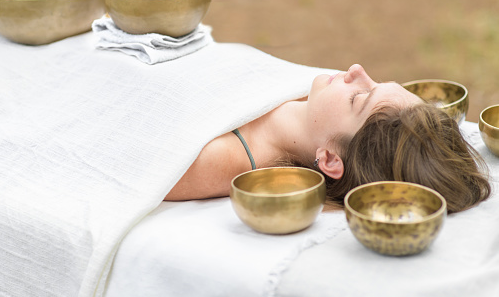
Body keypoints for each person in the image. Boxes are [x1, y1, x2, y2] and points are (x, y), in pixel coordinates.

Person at [165, 64, 491, 214]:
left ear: (331, 158)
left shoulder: (219, 161)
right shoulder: (313, 97)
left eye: (358, 98)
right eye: (375, 81)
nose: (356, 70)